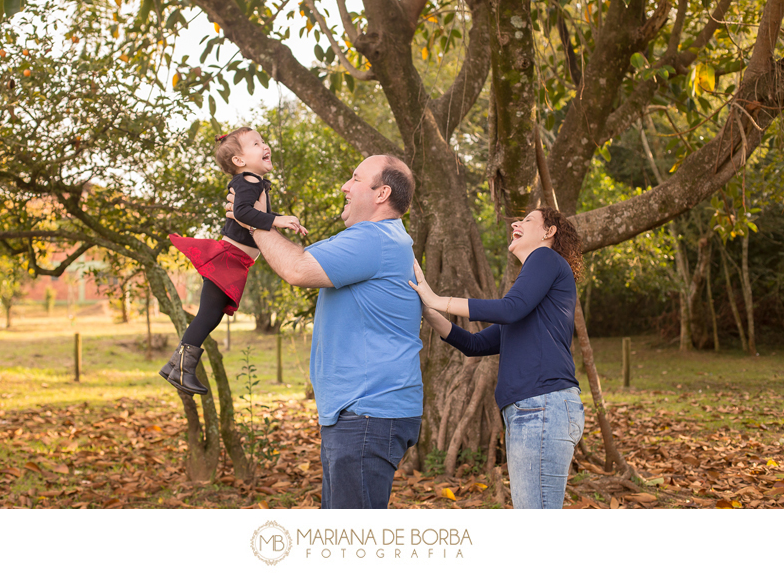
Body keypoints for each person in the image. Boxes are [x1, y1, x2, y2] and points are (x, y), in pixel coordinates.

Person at [226, 155, 422, 509]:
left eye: (355, 178)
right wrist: (258, 220)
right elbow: (293, 256)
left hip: (367, 410)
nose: (345, 187)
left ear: (382, 194)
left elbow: (297, 270)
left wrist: (250, 221)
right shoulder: (371, 239)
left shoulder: (372, 240)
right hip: (360, 410)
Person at [408, 206, 585, 509]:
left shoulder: (545, 258)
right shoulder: (534, 296)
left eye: (528, 220)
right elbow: (475, 344)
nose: (516, 222)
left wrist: (439, 298)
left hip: (542, 406)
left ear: (548, 232)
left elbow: (509, 308)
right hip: (532, 410)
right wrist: (428, 310)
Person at [160, 126, 307, 395]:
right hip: (228, 259)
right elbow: (242, 213)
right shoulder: (247, 181)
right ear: (239, 161)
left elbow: (250, 213)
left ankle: (175, 366)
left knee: (211, 315)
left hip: (233, 260)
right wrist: (277, 220)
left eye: (263, 141)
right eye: (255, 144)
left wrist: (276, 220)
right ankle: (181, 369)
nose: (265, 146)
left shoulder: (254, 182)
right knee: (208, 315)